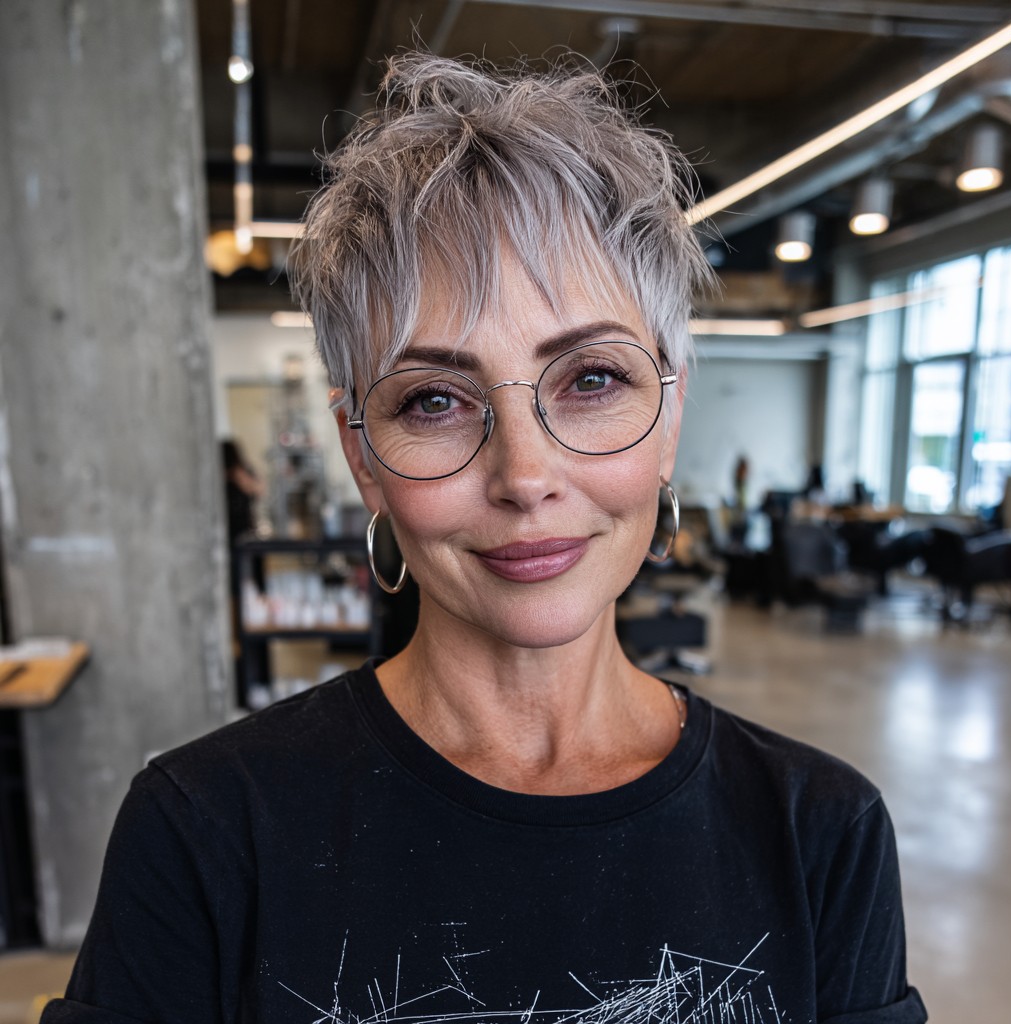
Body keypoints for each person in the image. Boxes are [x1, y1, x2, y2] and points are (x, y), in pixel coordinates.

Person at [44, 54, 926, 1024]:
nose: (523, 476)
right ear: (362, 455)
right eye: (433, 400)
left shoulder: (817, 833)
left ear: (669, 413)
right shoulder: (206, 829)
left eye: (590, 379)